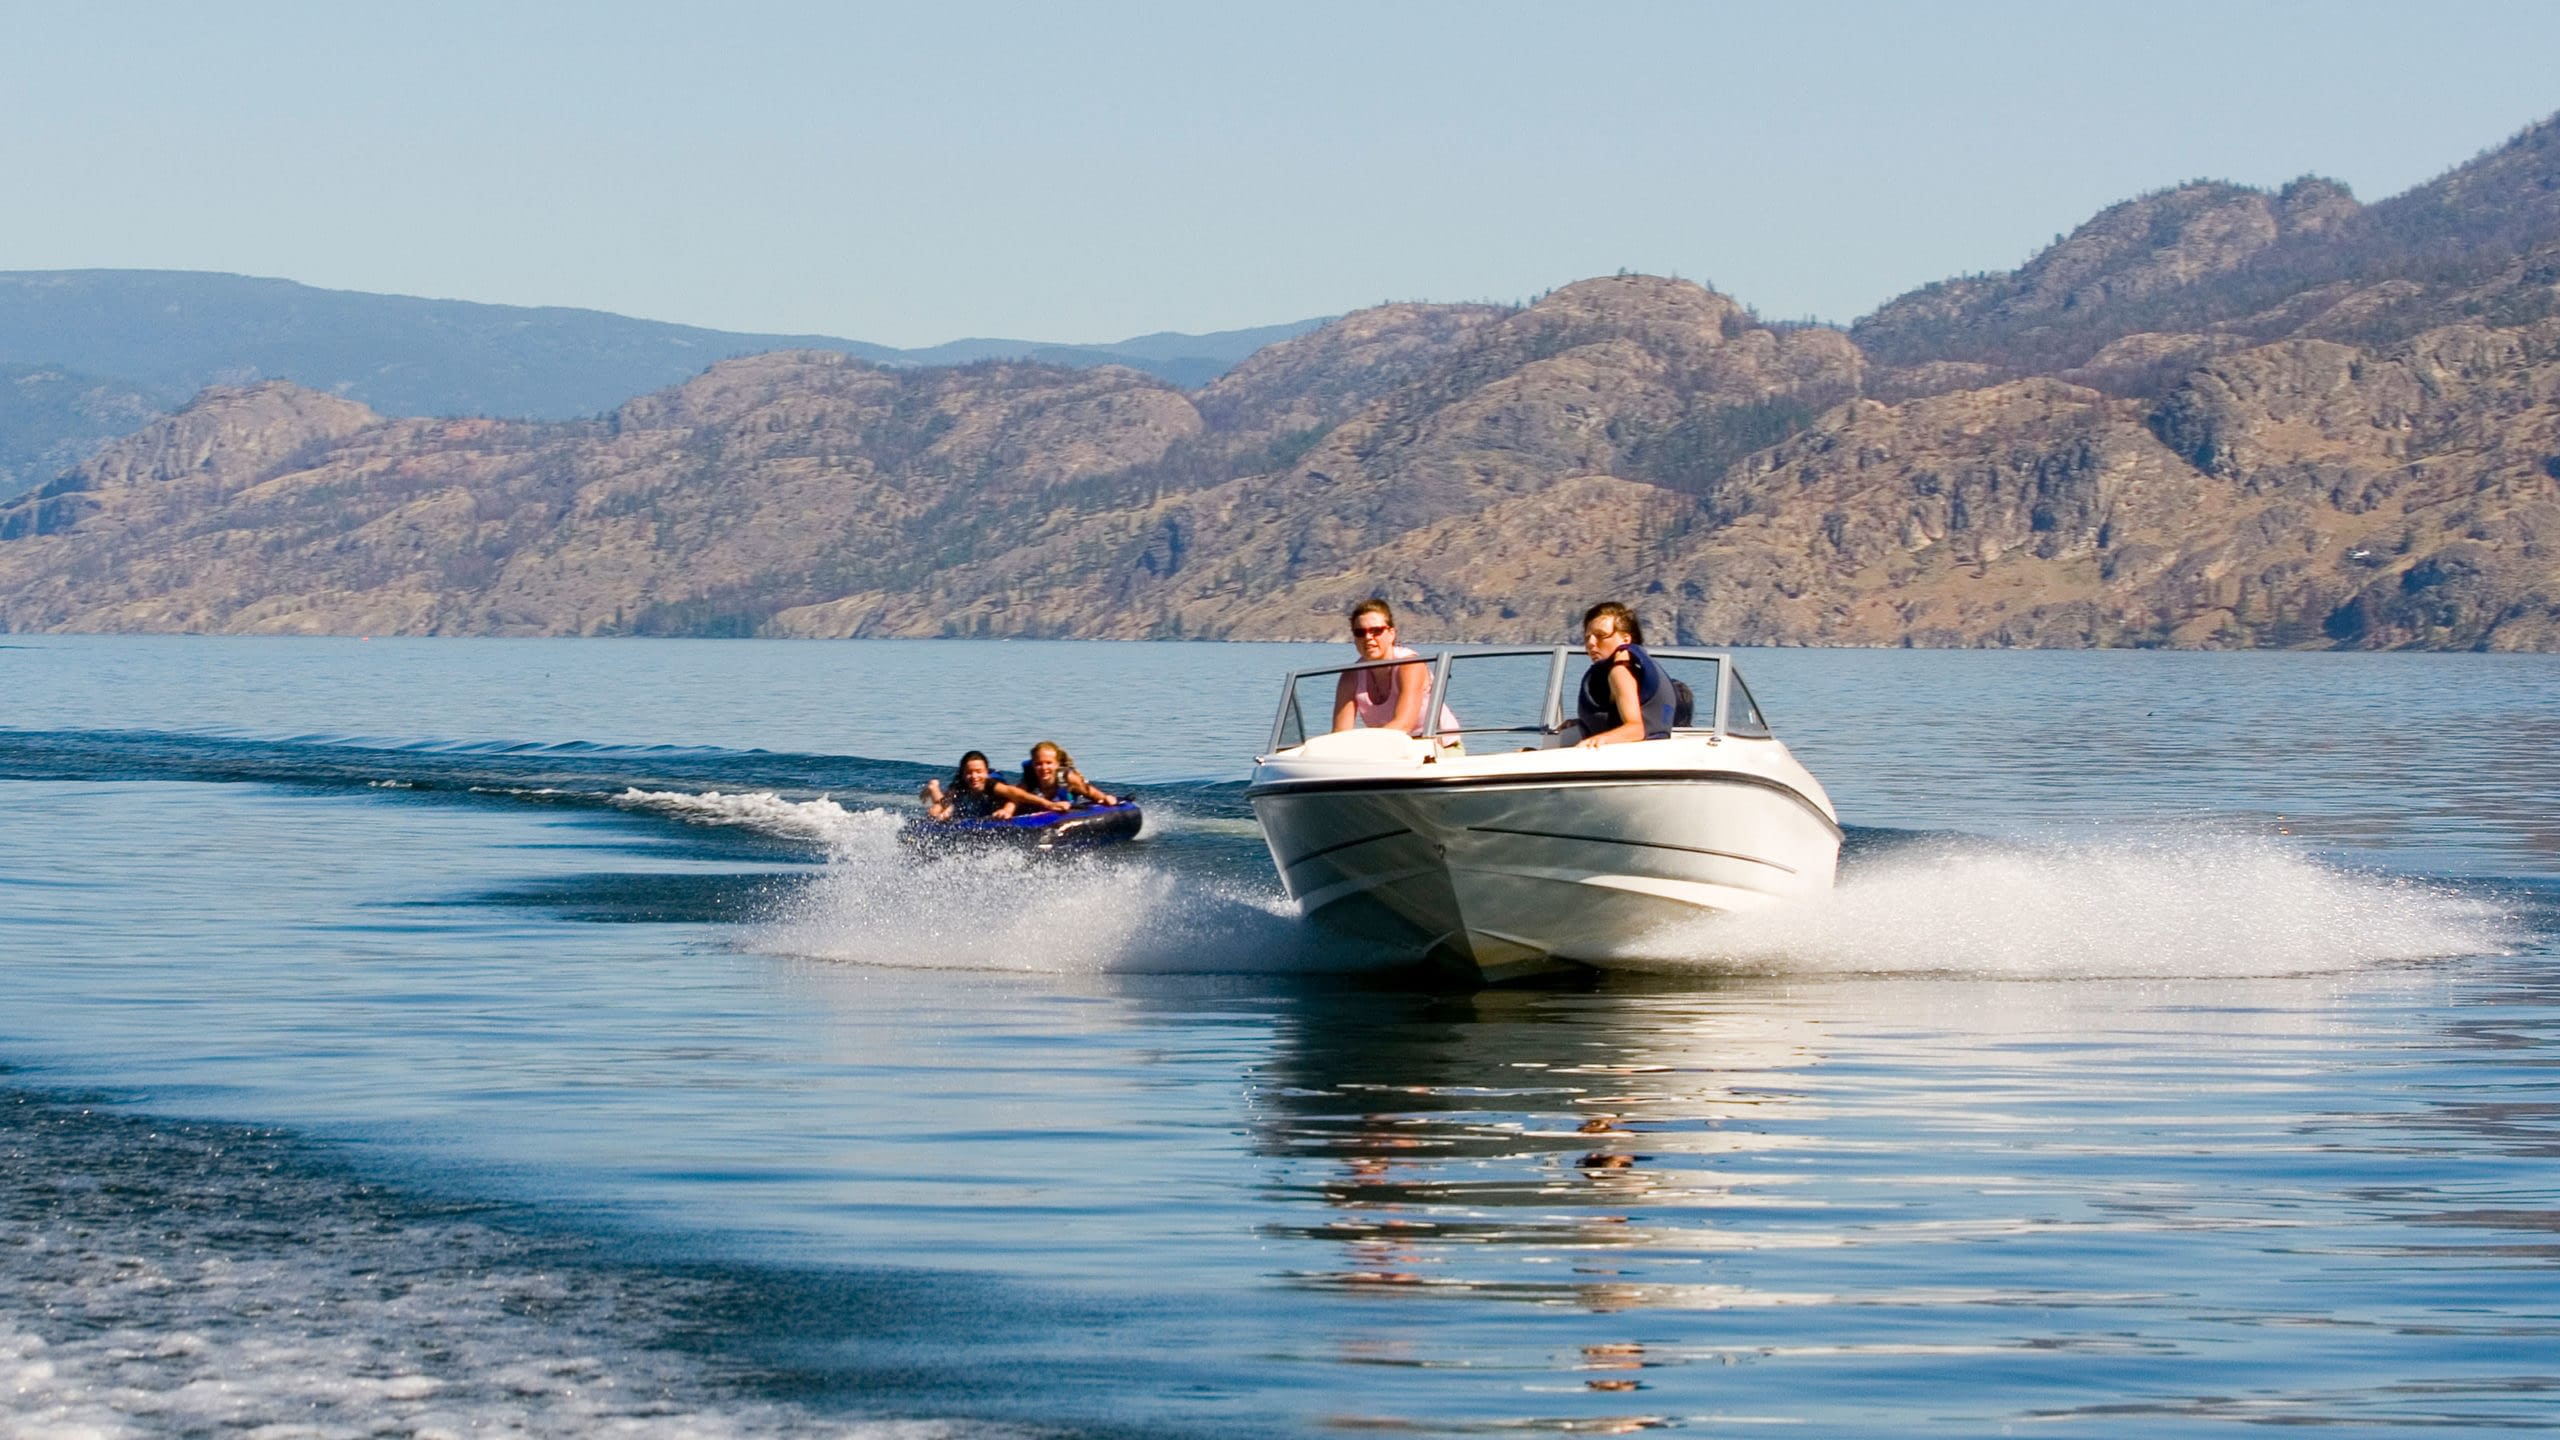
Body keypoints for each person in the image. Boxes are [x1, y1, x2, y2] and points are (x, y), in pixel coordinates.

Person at [1329, 598, 1459, 737]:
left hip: (1434, 748)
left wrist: (1365, 744)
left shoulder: (1410, 665)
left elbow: (1403, 724)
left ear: (1391, 634)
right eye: (1360, 633)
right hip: (1388, 749)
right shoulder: (1350, 677)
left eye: (1376, 631)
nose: (1368, 637)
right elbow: (1340, 732)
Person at [1573, 601, 1676, 748]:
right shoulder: (1637, 667)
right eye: (1587, 637)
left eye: (1600, 635)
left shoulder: (1620, 671)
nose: (1590, 643)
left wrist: (1595, 741)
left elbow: (1636, 729)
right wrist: (1580, 723)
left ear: (1625, 639)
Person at [1008, 740, 1122, 812]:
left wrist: (1105, 798)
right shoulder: (1030, 778)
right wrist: (1007, 811)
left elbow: (1092, 793)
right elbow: (1016, 798)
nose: (1043, 768)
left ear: (1057, 764)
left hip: (1069, 810)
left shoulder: (1068, 778)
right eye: (1038, 764)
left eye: (1048, 763)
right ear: (1033, 764)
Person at [919, 750, 1017, 822]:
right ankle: (934, 787)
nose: (974, 776)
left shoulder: (994, 783)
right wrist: (936, 817)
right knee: (944, 806)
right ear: (964, 774)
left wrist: (1007, 810)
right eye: (969, 773)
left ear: (986, 772)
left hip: (989, 806)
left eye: (978, 772)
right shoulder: (961, 785)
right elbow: (942, 804)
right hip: (961, 798)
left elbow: (1015, 797)